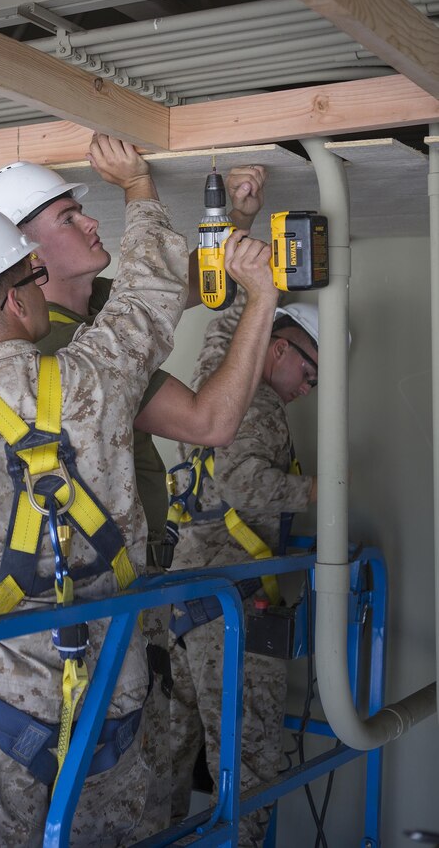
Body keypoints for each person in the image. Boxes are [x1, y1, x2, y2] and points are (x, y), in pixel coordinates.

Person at [0, 138, 276, 846]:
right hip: (111, 700)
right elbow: (150, 291)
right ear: (19, 297)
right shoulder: (94, 379)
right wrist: (141, 192)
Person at [169, 295, 321, 847]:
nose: (309, 387)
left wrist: (266, 288)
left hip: (188, 597)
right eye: (308, 371)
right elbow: (243, 484)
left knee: (173, 753)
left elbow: (220, 332)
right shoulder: (257, 406)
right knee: (246, 758)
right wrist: (317, 490)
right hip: (234, 602)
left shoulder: (220, 382)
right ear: (277, 348)